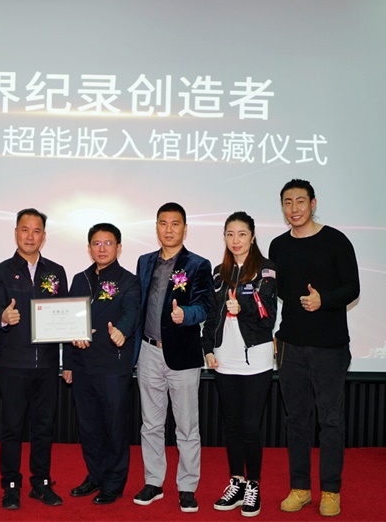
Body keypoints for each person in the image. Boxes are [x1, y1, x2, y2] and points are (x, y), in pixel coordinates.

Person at [269, 179, 359, 518]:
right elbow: (278, 292)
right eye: (288, 202)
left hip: (329, 347)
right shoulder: (278, 246)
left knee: (331, 421)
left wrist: (324, 300)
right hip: (290, 346)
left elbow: (352, 287)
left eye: (300, 201)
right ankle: (300, 488)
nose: (294, 208)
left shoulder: (336, 240)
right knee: (296, 421)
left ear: (313, 203)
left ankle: (331, 491)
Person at [131, 202, 213, 513]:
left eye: (175, 224)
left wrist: (185, 315)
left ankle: (187, 486)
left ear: (185, 229)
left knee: (187, 426)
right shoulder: (144, 262)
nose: (168, 229)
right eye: (163, 223)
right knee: (150, 424)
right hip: (148, 351)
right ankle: (153, 481)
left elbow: (204, 306)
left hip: (183, 355)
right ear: (156, 227)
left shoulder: (198, 264)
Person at [0, 208, 69, 510]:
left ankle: (41, 483)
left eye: (36, 231)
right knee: (12, 428)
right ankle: (11, 484)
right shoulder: (0, 271)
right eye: (25, 229)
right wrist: (2, 317)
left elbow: (65, 313)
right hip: (13, 364)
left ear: (44, 236)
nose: (30, 236)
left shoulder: (56, 271)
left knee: (43, 427)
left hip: (46, 364)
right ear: (16, 233)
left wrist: (74, 339)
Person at [202, 212, 277, 517]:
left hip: (256, 358)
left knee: (250, 425)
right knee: (231, 425)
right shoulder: (219, 272)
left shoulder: (266, 270)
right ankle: (236, 482)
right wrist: (207, 348)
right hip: (225, 358)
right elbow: (211, 315)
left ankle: (254, 485)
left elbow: (268, 316)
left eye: (242, 234)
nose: (236, 240)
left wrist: (242, 306)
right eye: (230, 234)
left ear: (253, 237)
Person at [62, 223, 141, 506]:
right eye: (97, 243)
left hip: (112, 366)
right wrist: (68, 363)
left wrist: (121, 331)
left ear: (118, 247)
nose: (102, 248)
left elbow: (132, 312)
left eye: (108, 243)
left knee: (115, 427)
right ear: (89, 248)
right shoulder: (79, 279)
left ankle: (114, 483)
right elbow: (67, 319)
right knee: (89, 427)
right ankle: (95, 476)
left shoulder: (129, 281)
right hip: (82, 365)